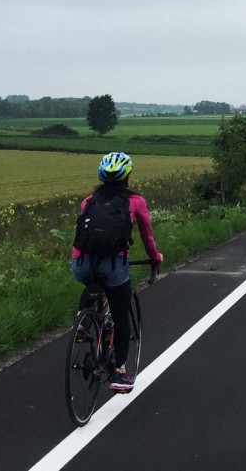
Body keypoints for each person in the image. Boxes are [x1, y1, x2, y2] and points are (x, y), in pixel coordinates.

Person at [71, 151, 163, 394]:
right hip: (113, 266)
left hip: (80, 264)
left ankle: (82, 320)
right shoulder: (135, 202)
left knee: (93, 282)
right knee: (121, 316)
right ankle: (120, 373)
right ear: (127, 177)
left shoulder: (88, 202)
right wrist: (155, 258)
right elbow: (147, 236)